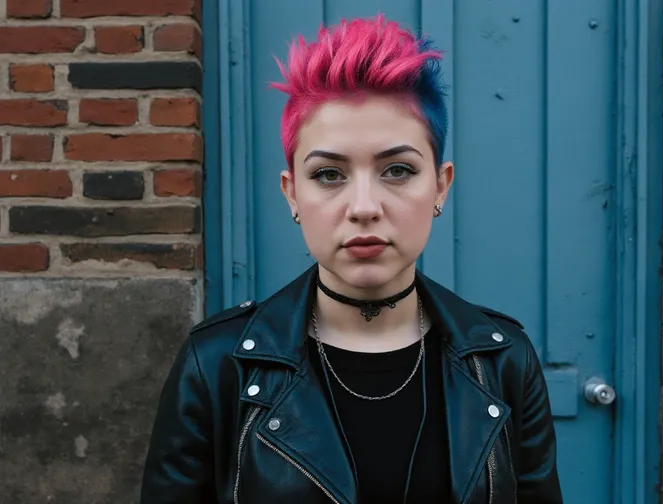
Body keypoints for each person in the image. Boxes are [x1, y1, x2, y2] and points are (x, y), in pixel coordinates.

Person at [140, 15, 563, 504]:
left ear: (441, 186)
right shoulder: (215, 366)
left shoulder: (503, 359)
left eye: (398, 170)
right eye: (328, 174)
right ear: (292, 193)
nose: (364, 207)